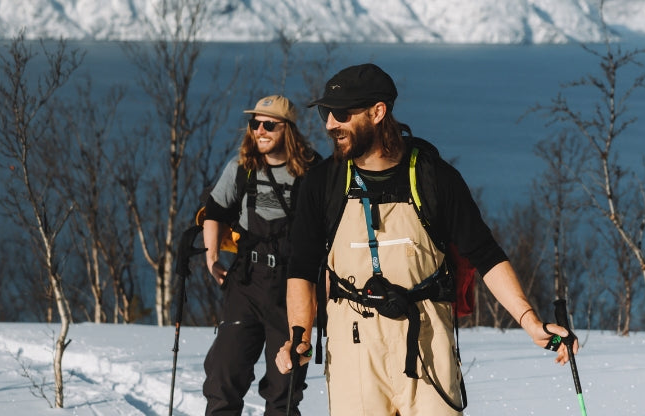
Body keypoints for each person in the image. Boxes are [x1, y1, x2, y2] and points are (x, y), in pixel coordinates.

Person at [275, 64, 579, 415]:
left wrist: (530, 322)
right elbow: (302, 266)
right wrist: (299, 335)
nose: (329, 125)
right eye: (327, 113)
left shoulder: (434, 177)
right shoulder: (321, 184)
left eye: (341, 114)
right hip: (352, 343)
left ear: (377, 112)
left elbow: (486, 254)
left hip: (426, 338)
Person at [202, 94, 319, 416]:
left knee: (285, 387)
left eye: (269, 124)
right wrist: (212, 259)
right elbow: (215, 210)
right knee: (224, 375)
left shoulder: (314, 171)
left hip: (292, 290)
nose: (260, 130)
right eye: (255, 123)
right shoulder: (242, 168)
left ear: (289, 130)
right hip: (246, 282)